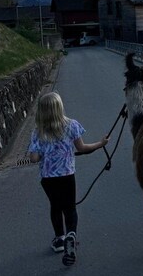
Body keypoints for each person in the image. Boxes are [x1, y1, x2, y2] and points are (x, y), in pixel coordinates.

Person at [28, 92, 108, 267]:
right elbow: (83, 148)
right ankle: (71, 234)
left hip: (48, 178)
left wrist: (42, 155)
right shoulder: (71, 125)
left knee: (55, 207)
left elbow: (34, 159)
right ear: (59, 108)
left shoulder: (37, 132)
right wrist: (100, 144)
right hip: (67, 176)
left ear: (41, 111)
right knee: (70, 208)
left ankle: (59, 239)